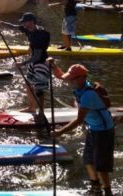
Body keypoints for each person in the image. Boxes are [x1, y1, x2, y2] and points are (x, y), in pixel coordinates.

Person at [48, 59, 115, 196]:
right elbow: (61, 76)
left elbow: (79, 120)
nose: (69, 82)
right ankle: (96, 189)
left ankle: (108, 192)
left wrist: (59, 132)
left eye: (72, 79)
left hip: (104, 131)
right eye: (70, 79)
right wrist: (53, 65)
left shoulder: (88, 94)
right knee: (88, 160)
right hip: (93, 129)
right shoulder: (81, 86)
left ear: (81, 78)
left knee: (101, 166)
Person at [0, 13, 50, 117]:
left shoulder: (39, 35)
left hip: (41, 63)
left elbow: (37, 56)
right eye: (23, 22)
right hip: (33, 62)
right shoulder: (28, 29)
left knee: (39, 89)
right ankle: (31, 107)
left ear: (32, 22)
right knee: (28, 85)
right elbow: (14, 27)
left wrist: (22, 63)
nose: (23, 24)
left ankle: (41, 111)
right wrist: (0, 23)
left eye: (25, 22)